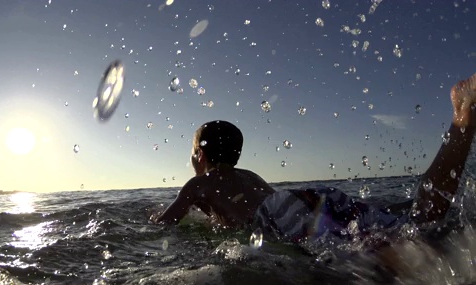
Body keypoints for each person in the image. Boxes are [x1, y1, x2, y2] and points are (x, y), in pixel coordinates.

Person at [154, 73, 476, 245]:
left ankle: (463, 121)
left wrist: (153, 216)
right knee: (412, 226)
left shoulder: (198, 184)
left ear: (200, 154)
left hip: (278, 219)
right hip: (305, 199)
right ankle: (462, 121)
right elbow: (271, 202)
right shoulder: (249, 176)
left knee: (395, 247)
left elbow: (165, 224)